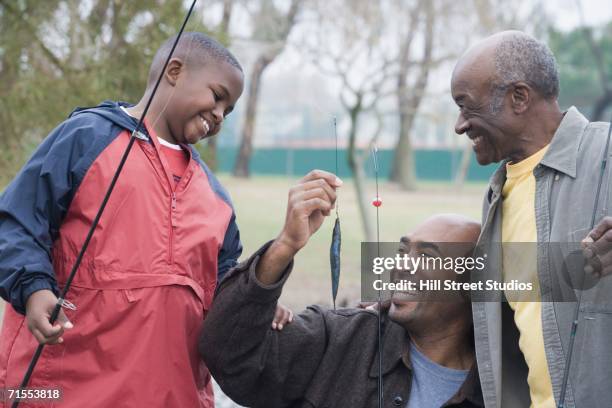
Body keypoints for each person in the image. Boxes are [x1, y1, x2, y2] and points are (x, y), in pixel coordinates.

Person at [0, 32, 289, 407]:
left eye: (229, 110)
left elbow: (224, 288)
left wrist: (253, 305)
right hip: (64, 391)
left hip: (172, 395)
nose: (219, 114)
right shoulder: (86, 137)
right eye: (217, 96)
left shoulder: (216, 197)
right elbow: (16, 222)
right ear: (174, 71)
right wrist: (35, 289)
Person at [450, 30, 612, 407]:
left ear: (518, 98)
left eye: (466, 106)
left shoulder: (606, 150)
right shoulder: (497, 196)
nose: (459, 125)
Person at [200, 213, 484, 408]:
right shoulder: (339, 336)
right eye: (402, 252)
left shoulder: (512, 380)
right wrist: (284, 246)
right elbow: (228, 356)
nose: (402, 265)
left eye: (426, 256)